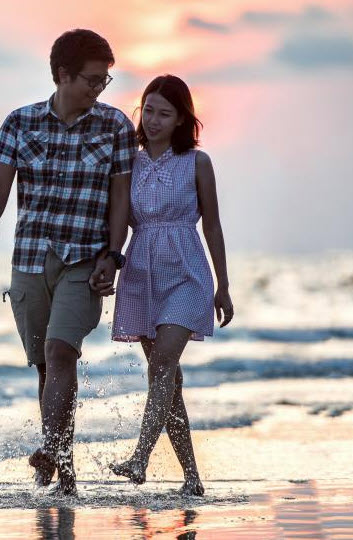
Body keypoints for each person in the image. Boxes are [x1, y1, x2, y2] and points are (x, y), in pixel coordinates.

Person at [0, 29, 136, 496]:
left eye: (105, 81)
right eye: (91, 80)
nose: (99, 89)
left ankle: (52, 454)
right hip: (30, 257)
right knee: (46, 367)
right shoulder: (20, 123)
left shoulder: (114, 126)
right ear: (63, 75)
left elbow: (121, 199)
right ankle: (61, 469)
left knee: (61, 351)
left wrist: (113, 253)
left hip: (84, 260)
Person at [108, 74, 234, 496]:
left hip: (187, 273)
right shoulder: (129, 160)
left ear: (182, 119)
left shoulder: (198, 162)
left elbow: (213, 225)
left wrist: (223, 285)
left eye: (166, 113)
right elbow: (118, 218)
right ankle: (193, 479)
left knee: (162, 365)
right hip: (141, 273)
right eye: (149, 110)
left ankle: (140, 459)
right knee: (168, 380)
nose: (155, 119)